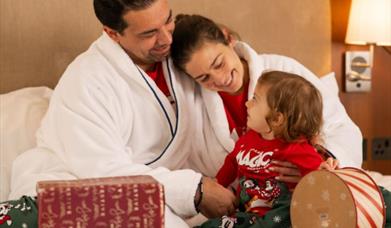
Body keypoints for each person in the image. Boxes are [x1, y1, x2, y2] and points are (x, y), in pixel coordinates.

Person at [3, 1, 236, 227]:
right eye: (149, 33)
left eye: (168, 20)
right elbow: (104, 172)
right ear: (112, 33)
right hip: (76, 187)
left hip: (166, 194)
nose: (166, 38)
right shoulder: (86, 80)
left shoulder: (182, 54)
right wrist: (192, 189)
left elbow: (250, 75)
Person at [171, 14, 363, 182]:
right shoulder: (196, 104)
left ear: (228, 39)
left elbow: (340, 127)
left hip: (303, 191)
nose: (220, 79)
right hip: (247, 200)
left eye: (219, 63)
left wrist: (316, 169)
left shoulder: (283, 71)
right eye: (204, 78)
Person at [199, 70, 326, 227]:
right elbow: (232, 162)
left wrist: (326, 170)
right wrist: (218, 183)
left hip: (277, 216)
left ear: (277, 118)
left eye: (254, 99)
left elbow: (322, 180)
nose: (247, 103)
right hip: (246, 211)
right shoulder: (248, 139)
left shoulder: (296, 148)